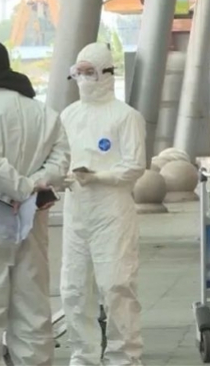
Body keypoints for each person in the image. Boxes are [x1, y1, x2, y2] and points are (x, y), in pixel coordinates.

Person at [0, 40, 70, 366]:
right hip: (31, 221)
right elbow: (61, 161)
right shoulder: (44, 113)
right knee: (32, 310)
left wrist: (19, 187)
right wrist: (33, 185)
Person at [59, 42, 146, 366]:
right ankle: (83, 355)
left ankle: (125, 356)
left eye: (89, 72)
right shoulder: (69, 116)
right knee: (74, 289)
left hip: (112, 211)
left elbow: (135, 166)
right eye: (78, 72)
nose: (83, 79)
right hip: (77, 211)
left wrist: (99, 177)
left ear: (106, 73)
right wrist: (61, 177)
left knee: (116, 285)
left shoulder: (126, 117)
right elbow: (60, 157)